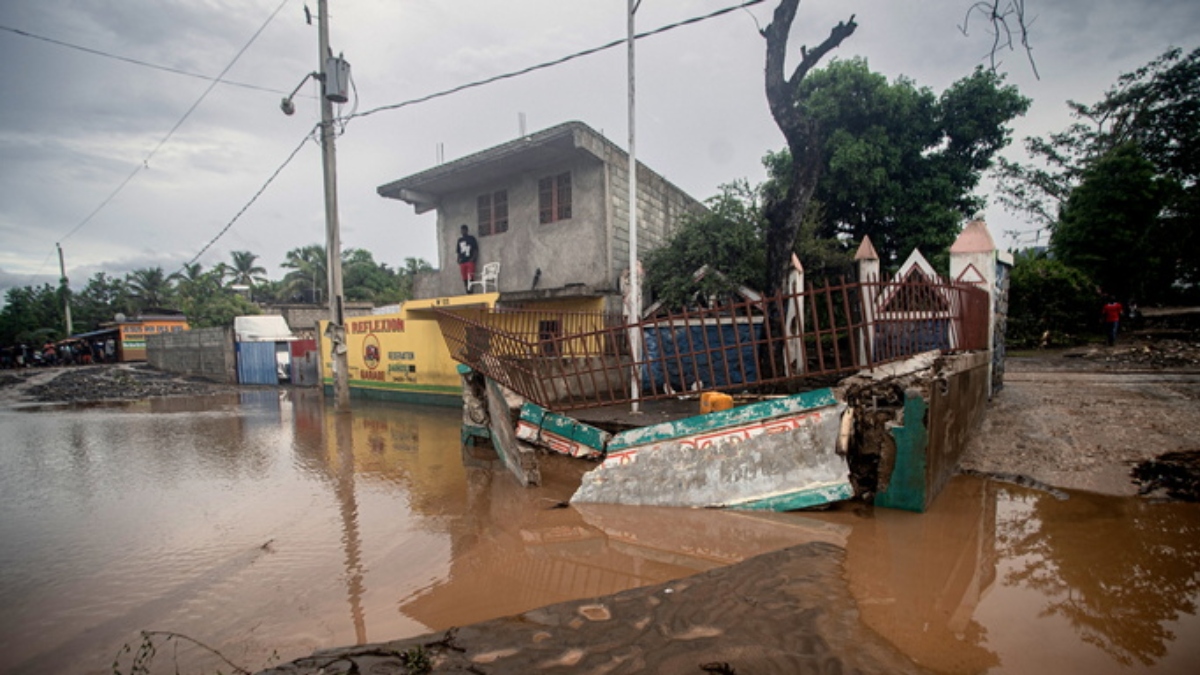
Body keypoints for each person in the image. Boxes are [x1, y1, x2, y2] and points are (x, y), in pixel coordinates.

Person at [456, 224, 479, 293]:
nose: (462, 232)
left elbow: (475, 249)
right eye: (461, 230)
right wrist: (458, 259)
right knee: (464, 276)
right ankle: (467, 289)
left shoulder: (471, 238)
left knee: (470, 275)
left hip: (470, 260)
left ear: (467, 230)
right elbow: (458, 251)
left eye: (464, 230)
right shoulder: (459, 240)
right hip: (463, 261)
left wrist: (473, 258)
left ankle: (471, 289)